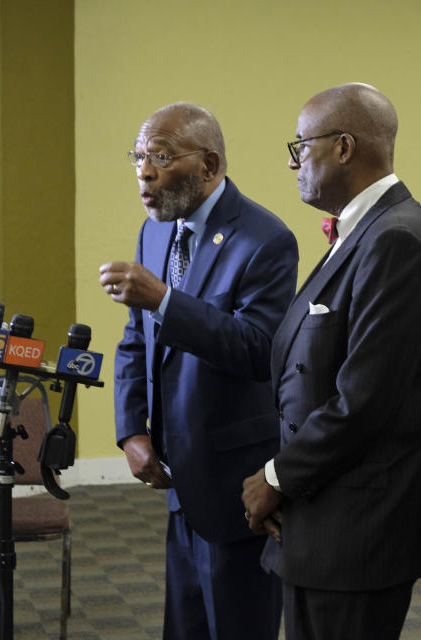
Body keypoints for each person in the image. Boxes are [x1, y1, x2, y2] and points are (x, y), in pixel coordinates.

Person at [241, 83, 421, 640]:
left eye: (300, 146)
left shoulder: (396, 240)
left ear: (342, 147)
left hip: (361, 526)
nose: (294, 163)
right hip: (328, 514)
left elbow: (364, 399)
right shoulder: (365, 231)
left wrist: (276, 476)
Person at [100, 102, 298, 640]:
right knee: (185, 629)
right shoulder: (156, 231)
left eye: (161, 157)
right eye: (139, 156)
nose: (144, 171)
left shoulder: (265, 240)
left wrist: (164, 300)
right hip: (175, 479)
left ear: (208, 165)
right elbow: (134, 342)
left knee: (237, 627)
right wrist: (132, 430)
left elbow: (259, 349)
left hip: (238, 487)